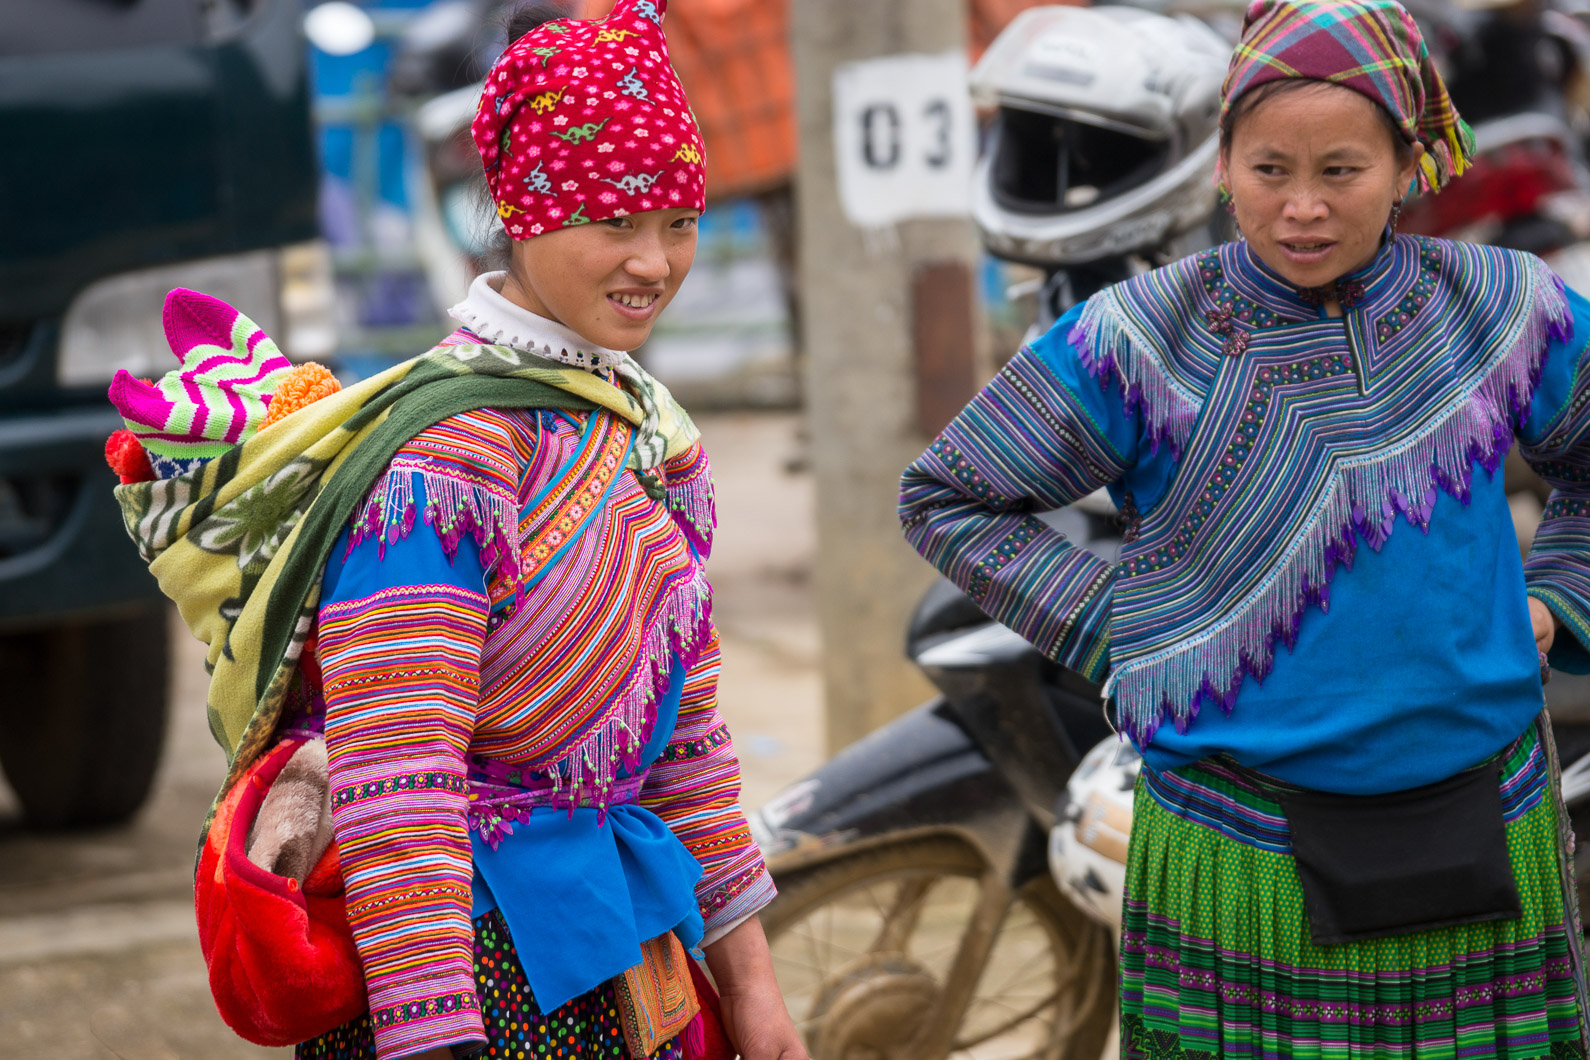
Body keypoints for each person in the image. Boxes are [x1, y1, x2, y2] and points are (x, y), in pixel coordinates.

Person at [108, 2, 807, 1058]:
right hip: (475, 980)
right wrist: (434, 1035)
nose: (655, 262)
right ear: (522, 213)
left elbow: (689, 745)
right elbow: (399, 777)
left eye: (678, 222)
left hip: (633, 953)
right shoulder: (446, 465)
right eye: (616, 223)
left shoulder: (643, 432)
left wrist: (753, 989)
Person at [899, 1, 1590, 1056]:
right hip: (1232, 853)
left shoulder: (1498, 305)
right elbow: (949, 497)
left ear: (1407, 164)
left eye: (1342, 171)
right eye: (1270, 170)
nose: (1303, 207)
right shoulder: (1135, 339)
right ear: (1221, 165)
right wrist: (1133, 626)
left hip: (1485, 824)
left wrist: (1557, 601)